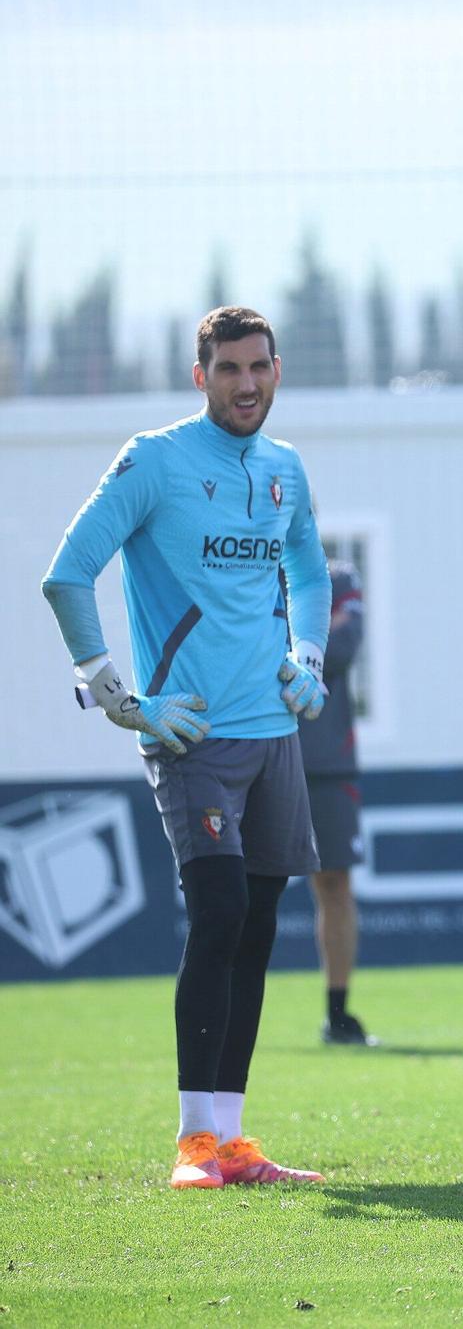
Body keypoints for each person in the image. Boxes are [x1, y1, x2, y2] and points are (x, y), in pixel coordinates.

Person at [41, 306, 332, 1190]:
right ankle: (192, 1142)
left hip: (275, 735)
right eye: (229, 368)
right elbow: (67, 572)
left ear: (278, 371)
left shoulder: (284, 469)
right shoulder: (155, 460)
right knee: (216, 918)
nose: (247, 384)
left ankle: (236, 1139)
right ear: (199, 375)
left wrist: (307, 658)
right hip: (193, 736)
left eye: (260, 367)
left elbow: (310, 573)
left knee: (255, 932)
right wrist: (122, 698)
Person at [300, 555, 375, 1046]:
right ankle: (225, 1015)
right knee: (237, 888)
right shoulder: (250, 572)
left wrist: (285, 642)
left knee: (334, 883)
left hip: (327, 760)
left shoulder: (337, 576)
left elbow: (345, 648)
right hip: (258, 751)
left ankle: (338, 1013)